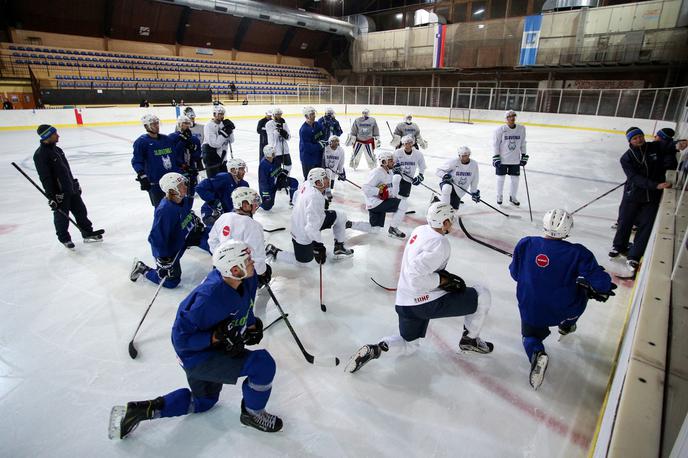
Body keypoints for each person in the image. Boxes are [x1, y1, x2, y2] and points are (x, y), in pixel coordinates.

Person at [111, 240, 282, 439]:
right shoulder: (207, 298)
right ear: (235, 269)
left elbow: (246, 304)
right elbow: (181, 340)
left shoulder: (246, 279)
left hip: (213, 350)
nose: (252, 262)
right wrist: (214, 337)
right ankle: (252, 413)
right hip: (197, 358)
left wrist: (251, 325)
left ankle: (140, 410)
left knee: (204, 402)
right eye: (247, 260)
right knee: (262, 364)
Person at [345, 202, 494, 374]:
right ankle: (470, 341)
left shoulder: (420, 230)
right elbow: (416, 277)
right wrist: (443, 280)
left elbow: (415, 271)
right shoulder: (440, 243)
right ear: (444, 222)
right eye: (450, 219)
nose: (452, 223)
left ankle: (377, 349)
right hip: (424, 302)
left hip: (404, 303)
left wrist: (443, 279)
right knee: (482, 295)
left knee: (409, 345)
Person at [509, 209, 616, 389]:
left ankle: (537, 353)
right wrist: (603, 288)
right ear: (567, 229)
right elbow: (599, 281)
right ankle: (567, 325)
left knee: (530, 337)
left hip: (531, 308)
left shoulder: (526, 244)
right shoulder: (578, 253)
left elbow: (515, 274)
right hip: (564, 308)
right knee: (583, 294)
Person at [266, 168, 365, 265]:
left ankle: (339, 248)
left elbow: (295, 197)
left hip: (299, 224)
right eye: (325, 178)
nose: (328, 179)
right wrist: (318, 246)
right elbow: (311, 228)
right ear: (318, 183)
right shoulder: (315, 198)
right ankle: (275, 252)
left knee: (340, 216)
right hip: (303, 233)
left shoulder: (307, 183)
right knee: (304, 262)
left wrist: (308, 209)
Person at [609, 127, 672, 274]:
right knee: (625, 221)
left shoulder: (654, 147)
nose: (639, 140)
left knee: (646, 226)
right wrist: (655, 185)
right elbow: (634, 178)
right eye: (634, 138)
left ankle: (634, 255)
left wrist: (679, 144)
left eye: (640, 136)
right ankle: (619, 246)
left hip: (651, 198)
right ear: (630, 141)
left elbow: (669, 144)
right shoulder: (626, 157)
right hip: (633, 194)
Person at [129, 173, 208, 289]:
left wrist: (193, 221)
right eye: (181, 185)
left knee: (211, 240)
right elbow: (156, 238)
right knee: (171, 282)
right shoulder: (165, 210)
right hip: (170, 248)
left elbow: (186, 213)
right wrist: (163, 258)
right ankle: (142, 269)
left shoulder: (183, 200)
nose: (185, 187)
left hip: (185, 236)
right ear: (172, 189)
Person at [33, 124, 103, 249]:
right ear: (47, 136)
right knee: (62, 217)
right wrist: (52, 196)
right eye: (55, 134)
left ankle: (87, 233)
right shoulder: (40, 155)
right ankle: (64, 239)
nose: (58, 135)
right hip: (59, 193)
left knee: (81, 211)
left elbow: (66, 170)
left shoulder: (57, 150)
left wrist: (74, 183)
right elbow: (45, 177)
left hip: (71, 188)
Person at [208, 187, 273, 284]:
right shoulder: (253, 226)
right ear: (245, 205)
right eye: (254, 202)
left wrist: (221, 260)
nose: (257, 205)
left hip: (221, 268)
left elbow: (212, 241)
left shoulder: (223, 217)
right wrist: (262, 273)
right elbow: (257, 256)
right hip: (242, 272)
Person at [132, 114, 183, 208]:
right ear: (146, 126)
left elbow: (175, 157)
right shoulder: (142, 142)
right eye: (153, 124)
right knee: (162, 209)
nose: (156, 126)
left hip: (173, 181)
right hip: (156, 183)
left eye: (157, 123)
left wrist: (183, 167)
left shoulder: (166, 139)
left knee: (178, 208)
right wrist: (142, 175)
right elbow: (137, 161)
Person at [362, 150, 408, 239]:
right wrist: (378, 191)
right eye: (390, 161)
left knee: (374, 229)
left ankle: (350, 224)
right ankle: (393, 229)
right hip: (375, 203)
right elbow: (365, 188)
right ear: (384, 162)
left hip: (380, 202)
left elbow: (389, 191)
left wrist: (394, 187)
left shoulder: (389, 172)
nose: (393, 162)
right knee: (403, 204)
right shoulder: (377, 172)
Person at [196, 158, 249, 226]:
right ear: (233, 170)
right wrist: (213, 200)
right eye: (241, 169)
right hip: (211, 214)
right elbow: (200, 188)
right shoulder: (224, 178)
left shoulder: (244, 185)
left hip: (229, 216)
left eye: (243, 169)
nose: (244, 172)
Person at [492, 109, 527, 206]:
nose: (511, 118)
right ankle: (499, 195)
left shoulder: (521, 129)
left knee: (515, 179)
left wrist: (524, 155)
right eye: (509, 117)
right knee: (500, 178)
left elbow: (523, 143)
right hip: (502, 159)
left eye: (513, 116)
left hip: (515, 159)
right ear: (506, 119)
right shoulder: (500, 130)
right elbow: (496, 145)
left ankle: (513, 196)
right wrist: (496, 157)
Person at [169, 115, 202, 198]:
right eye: (185, 123)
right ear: (179, 124)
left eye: (188, 123)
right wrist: (183, 142)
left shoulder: (194, 139)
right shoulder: (172, 138)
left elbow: (197, 155)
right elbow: (173, 154)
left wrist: (193, 150)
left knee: (191, 192)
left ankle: (188, 209)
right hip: (178, 169)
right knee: (180, 192)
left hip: (191, 169)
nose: (187, 125)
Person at [258, 145, 298, 211]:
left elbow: (279, 170)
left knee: (294, 182)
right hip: (269, 187)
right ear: (268, 154)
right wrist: (266, 193)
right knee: (267, 207)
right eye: (273, 152)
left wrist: (283, 173)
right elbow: (263, 181)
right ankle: (258, 203)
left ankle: (293, 201)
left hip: (277, 181)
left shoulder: (276, 160)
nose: (275, 153)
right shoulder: (263, 165)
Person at [392, 135, 427, 205]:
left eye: (410, 143)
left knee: (404, 196)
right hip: (399, 175)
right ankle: (393, 201)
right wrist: (394, 167)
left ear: (413, 143)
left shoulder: (418, 154)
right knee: (396, 178)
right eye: (406, 143)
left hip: (408, 178)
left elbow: (422, 166)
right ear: (403, 144)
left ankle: (401, 206)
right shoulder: (398, 152)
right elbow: (392, 164)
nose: (408, 145)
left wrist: (420, 176)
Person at [202, 105, 235, 177]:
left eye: (223, 114)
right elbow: (214, 144)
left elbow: (231, 140)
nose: (222, 116)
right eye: (220, 114)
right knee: (214, 182)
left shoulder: (223, 125)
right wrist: (225, 133)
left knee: (223, 181)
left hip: (222, 158)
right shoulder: (209, 126)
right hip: (212, 159)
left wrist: (230, 130)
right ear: (214, 114)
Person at [299, 106, 327, 180]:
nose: (314, 116)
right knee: (309, 180)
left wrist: (325, 141)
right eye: (311, 114)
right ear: (306, 116)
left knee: (318, 178)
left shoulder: (317, 125)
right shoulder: (304, 130)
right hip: (308, 159)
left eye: (314, 114)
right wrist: (320, 145)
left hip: (317, 157)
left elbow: (323, 134)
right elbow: (307, 147)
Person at [265, 107, 292, 173]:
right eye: (277, 114)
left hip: (285, 150)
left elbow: (288, 137)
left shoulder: (283, 123)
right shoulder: (269, 124)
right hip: (275, 151)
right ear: (273, 115)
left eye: (280, 114)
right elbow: (271, 138)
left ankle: (285, 178)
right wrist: (278, 131)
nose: (279, 116)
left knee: (288, 166)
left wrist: (284, 133)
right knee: (276, 169)